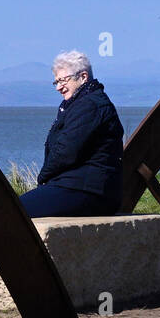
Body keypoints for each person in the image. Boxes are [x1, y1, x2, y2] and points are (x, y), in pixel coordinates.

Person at [18, 51, 124, 218]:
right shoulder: (80, 104)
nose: (59, 87)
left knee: (11, 212)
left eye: (63, 80)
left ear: (83, 76)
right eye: (56, 82)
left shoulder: (90, 105)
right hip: (78, 187)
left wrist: (42, 178)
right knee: (9, 210)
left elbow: (66, 151)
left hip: (88, 191)